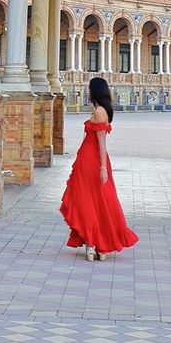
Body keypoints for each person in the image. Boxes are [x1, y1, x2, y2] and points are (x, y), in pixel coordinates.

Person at [59, 77, 138, 262]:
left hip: (93, 161)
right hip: (88, 160)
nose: (87, 92)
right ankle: (96, 245)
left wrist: (103, 167)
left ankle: (94, 245)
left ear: (95, 91)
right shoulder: (99, 110)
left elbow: (102, 143)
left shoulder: (100, 112)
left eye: (89, 89)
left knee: (95, 201)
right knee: (93, 201)